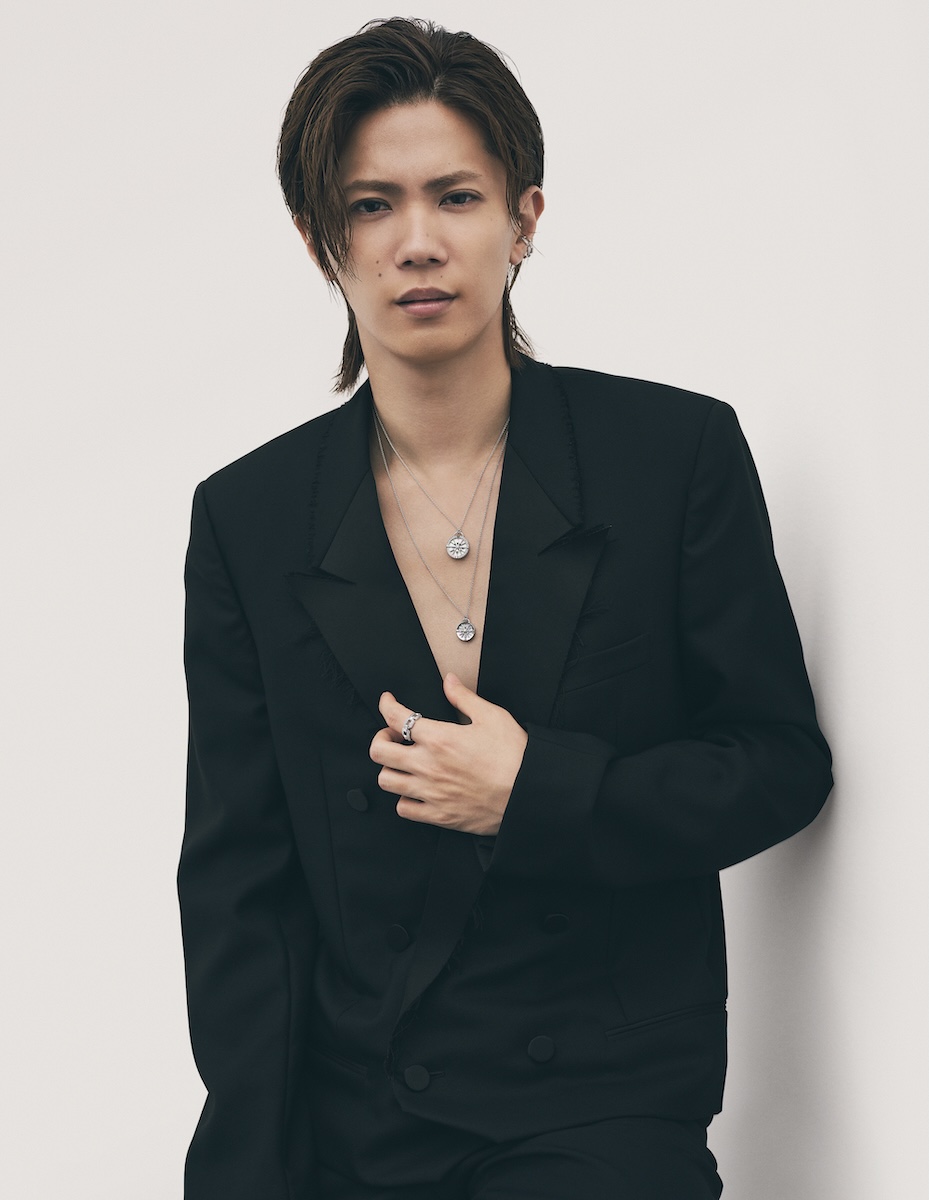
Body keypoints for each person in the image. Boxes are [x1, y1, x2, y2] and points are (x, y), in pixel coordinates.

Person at [178, 17, 833, 1199]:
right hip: (360, 1119)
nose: (417, 242)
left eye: (456, 197)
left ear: (524, 219)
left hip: (603, 1106)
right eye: (371, 205)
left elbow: (778, 764)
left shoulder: (669, 454)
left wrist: (540, 791)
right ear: (318, 239)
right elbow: (240, 888)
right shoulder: (249, 517)